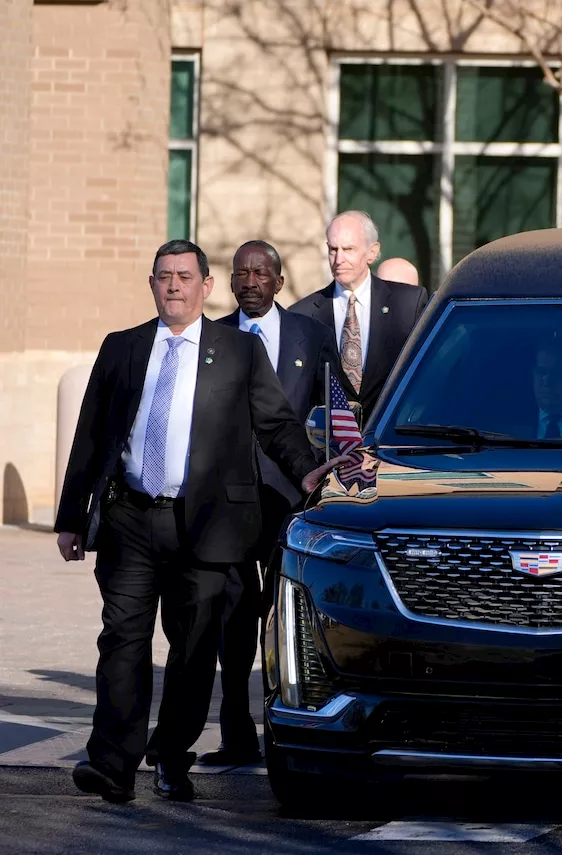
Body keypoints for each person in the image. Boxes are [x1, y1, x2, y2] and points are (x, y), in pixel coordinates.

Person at [55, 240, 350, 804]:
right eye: (164, 276)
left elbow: (277, 423)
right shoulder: (123, 348)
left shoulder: (236, 350)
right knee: (122, 638)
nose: (174, 286)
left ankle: (171, 753)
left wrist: (309, 472)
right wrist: (72, 518)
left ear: (205, 286)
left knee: (192, 650)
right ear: (151, 284)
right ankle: (112, 764)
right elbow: (91, 434)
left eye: (185, 277)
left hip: (208, 525)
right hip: (131, 519)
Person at [199, 240, 339, 767]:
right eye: (241, 273)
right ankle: (236, 736)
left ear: (279, 283)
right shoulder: (213, 339)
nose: (250, 280)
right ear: (231, 283)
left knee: (286, 619)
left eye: (261, 272)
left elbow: (337, 407)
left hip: (290, 500)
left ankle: (290, 731)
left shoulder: (311, 336)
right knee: (232, 621)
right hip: (229, 504)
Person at [290, 211, 429, 420]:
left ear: (372, 252)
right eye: (332, 249)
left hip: (389, 442)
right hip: (331, 447)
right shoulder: (303, 314)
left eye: (348, 249)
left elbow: (426, 377)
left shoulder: (408, 304)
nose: (338, 259)